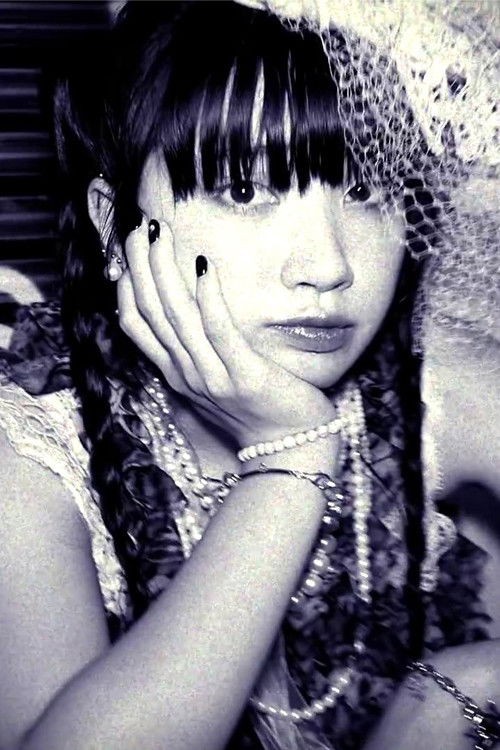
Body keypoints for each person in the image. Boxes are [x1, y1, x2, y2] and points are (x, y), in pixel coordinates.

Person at [0, 2, 498, 749]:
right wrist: (292, 457)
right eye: (243, 191)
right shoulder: (32, 454)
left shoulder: (434, 393)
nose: (327, 266)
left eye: (367, 191)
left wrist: (466, 684)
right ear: (114, 224)